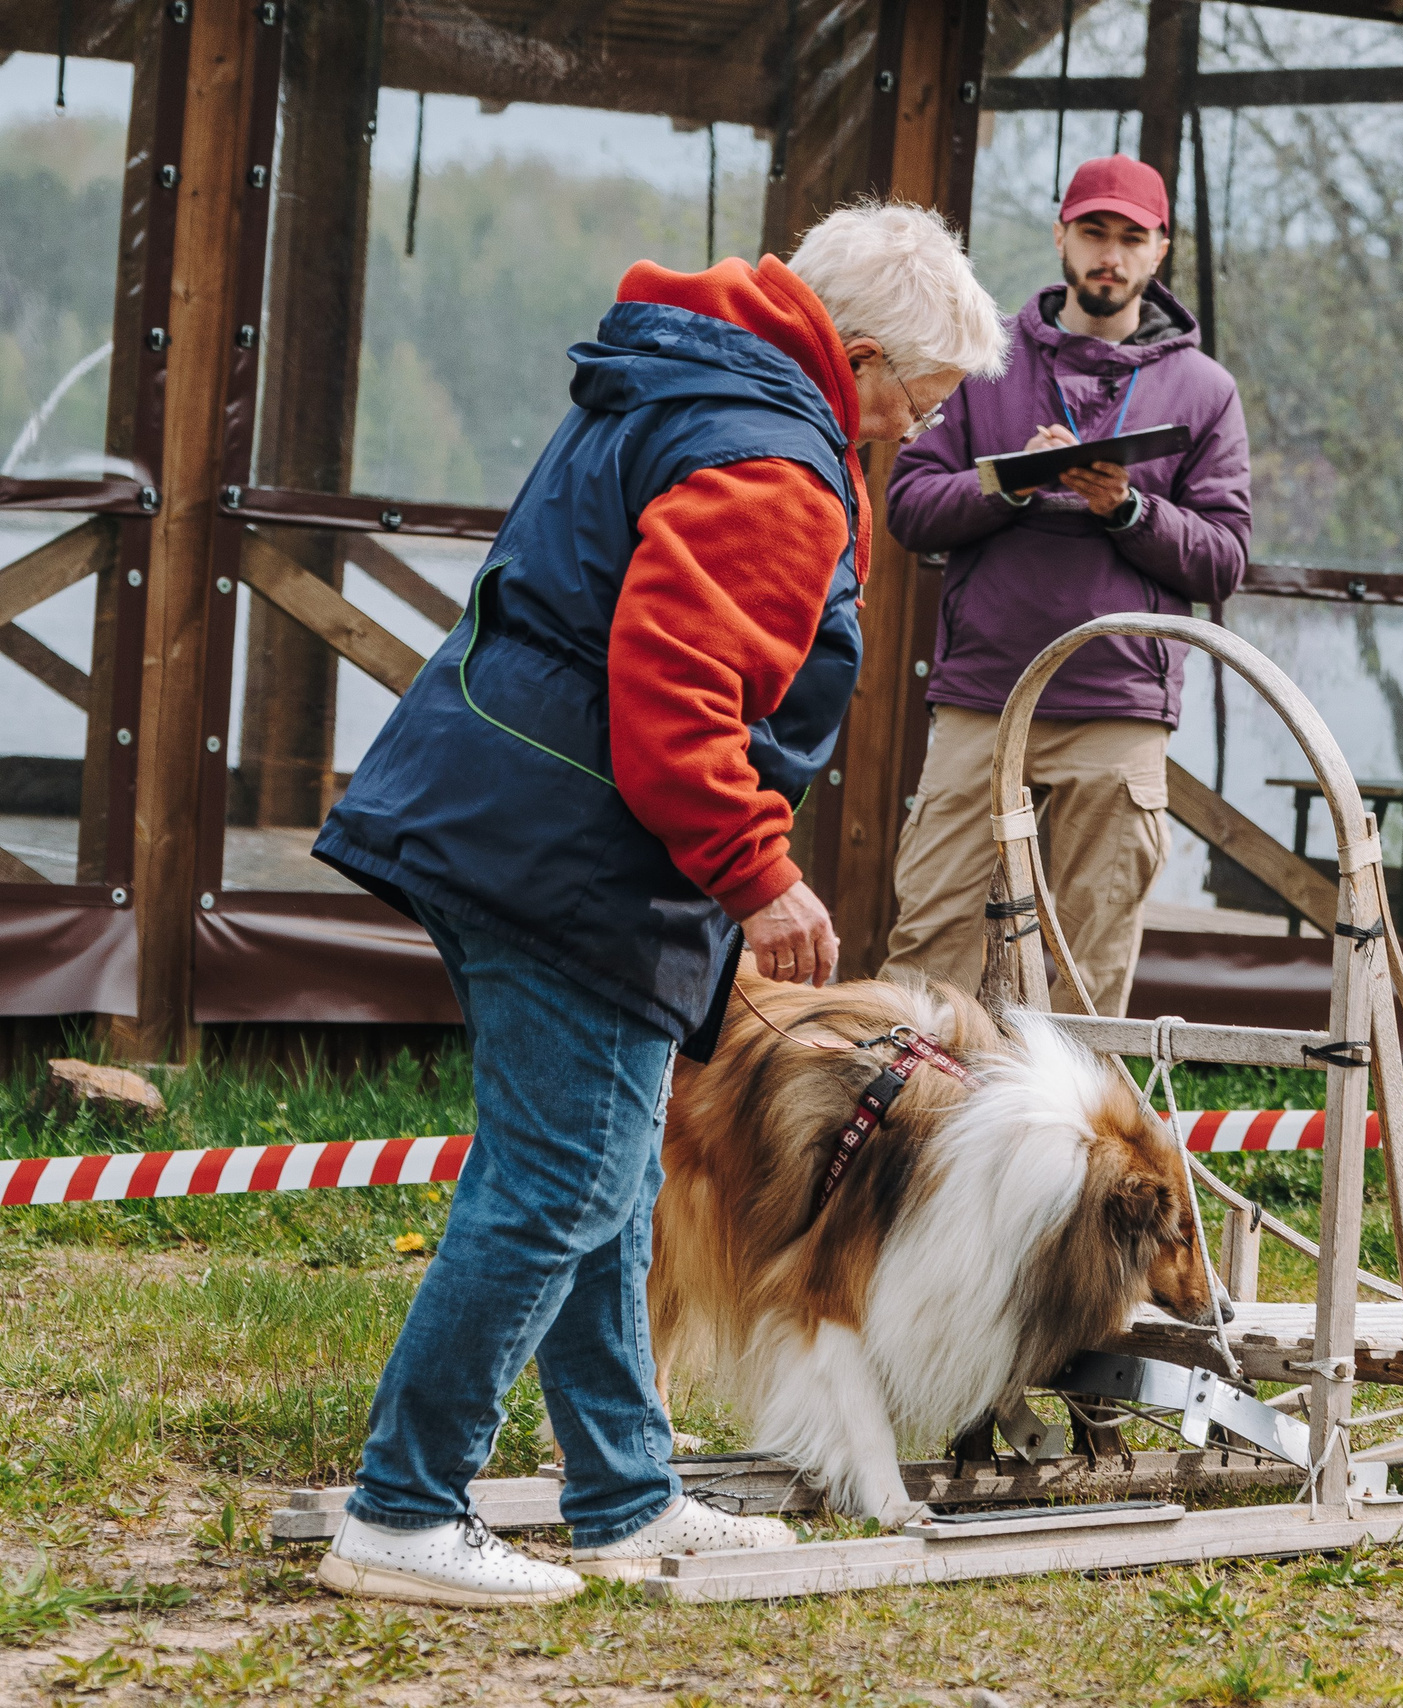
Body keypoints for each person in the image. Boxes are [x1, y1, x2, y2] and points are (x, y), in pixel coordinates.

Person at [307, 202, 1008, 1606]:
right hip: (571, 850)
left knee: (612, 1184)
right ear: (858, 359)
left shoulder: (704, 379)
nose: (917, 430)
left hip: (537, 823)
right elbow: (675, 702)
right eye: (919, 401)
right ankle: (402, 1507)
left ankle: (625, 1499)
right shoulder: (770, 460)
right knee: (557, 1183)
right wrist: (761, 872)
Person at [883, 156, 1251, 1016]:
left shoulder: (1206, 392)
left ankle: (1073, 1150)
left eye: (1131, 237)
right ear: (1061, 236)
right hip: (984, 695)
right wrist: (1007, 483)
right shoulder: (984, 367)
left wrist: (1125, 509)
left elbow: (1226, 558)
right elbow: (906, 504)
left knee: (1088, 970)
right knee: (928, 945)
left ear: (1161, 250)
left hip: (1118, 704)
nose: (1109, 255)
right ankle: (900, 1137)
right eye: (1093, 232)